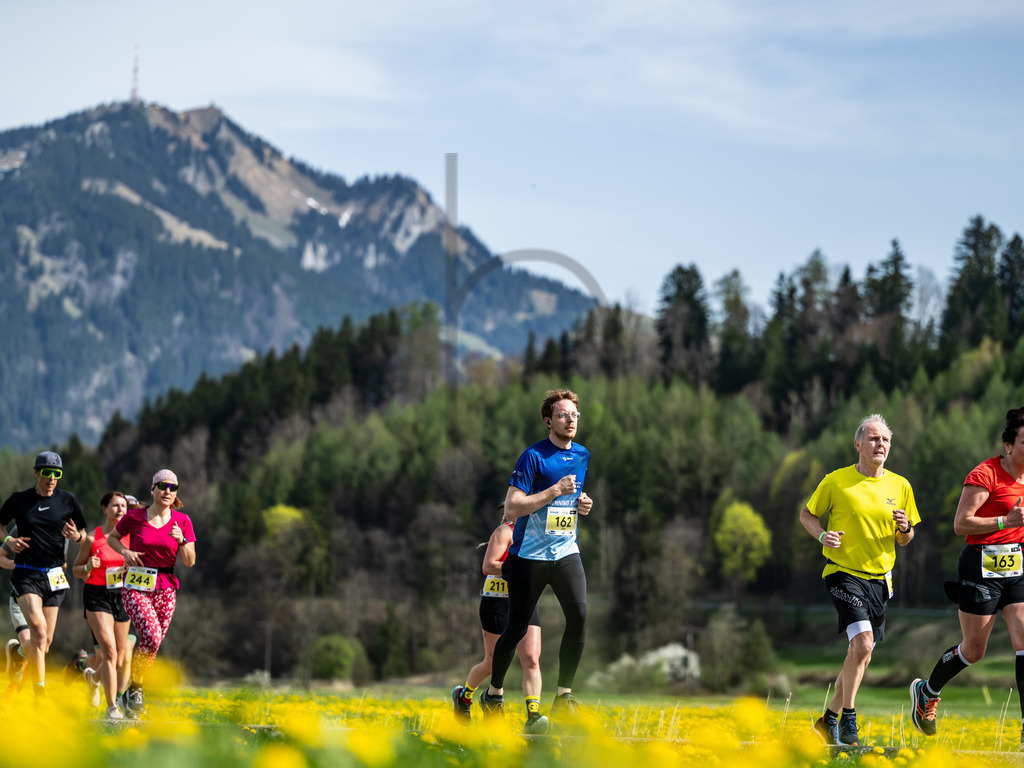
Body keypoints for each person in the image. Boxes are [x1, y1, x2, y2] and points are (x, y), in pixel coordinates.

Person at [799, 414, 920, 747]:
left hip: (880, 580)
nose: (880, 444)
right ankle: (850, 718)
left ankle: (828, 721)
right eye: (873, 438)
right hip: (841, 573)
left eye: (885, 440)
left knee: (860, 654)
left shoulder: (901, 486)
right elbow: (807, 514)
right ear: (858, 444)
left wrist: (906, 528)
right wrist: (822, 535)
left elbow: (906, 539)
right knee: (863, 644)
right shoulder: (836, 481)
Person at [910, 407, 1024, 740]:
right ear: (1007, 445)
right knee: (974, 650)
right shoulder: (985, 474)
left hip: (1017, 568)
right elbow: (961, 524)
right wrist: (1005, 522)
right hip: (980, 566)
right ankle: (927, 693)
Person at [479, 388, 593, 719]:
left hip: (566, 551)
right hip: (529, 554)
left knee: (580, 617)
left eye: (574, 415)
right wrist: (554, 490)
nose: (570, 420)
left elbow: (571, 499)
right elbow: (513, 506)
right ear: (548, 421)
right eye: (563, 415)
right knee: (515, 628)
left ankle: (564, 696)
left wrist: (583, 503)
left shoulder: (583, 455)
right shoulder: (533, 457)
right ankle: (494, 694)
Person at [107, 470, 196, 716]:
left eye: (173, 487)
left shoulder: (183, 521)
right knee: (152, 635)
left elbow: (189, 561)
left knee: (152, 644)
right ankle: (135, 691)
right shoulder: (135, 517)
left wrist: (182, 542)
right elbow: (113, 538)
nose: (168, 491)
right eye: (163, 486)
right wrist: (125, 553)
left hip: (166, 586)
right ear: (153, 489)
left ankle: (133, 690)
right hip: (136, 583)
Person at [0, 451, 88, 697]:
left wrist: (77, 537)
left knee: (44, 644)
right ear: (36, 472)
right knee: (38, 631)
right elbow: (0, 524)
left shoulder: (68, 500)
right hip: (26, 575)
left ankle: (17, 654)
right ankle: (40, 695)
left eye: (57, 473)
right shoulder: (20, 500)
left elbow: (84, 533)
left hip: (54, 577)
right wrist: (8, 538)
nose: (52, 478)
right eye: (47, 472)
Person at [452, 507, 547, 733]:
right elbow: (488, 566)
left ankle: (533, 716)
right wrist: (520, 569)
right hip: (497, 601)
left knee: (532, 659)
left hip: (524, 602)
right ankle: (463, 697)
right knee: (494, 663)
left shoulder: (539, 536)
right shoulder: (505, 531)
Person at [72, 491, 135, 719]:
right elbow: (76, 570)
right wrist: (88, 566)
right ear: (104, 509)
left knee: (118, 658)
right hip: (97, 595)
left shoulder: (130, 538)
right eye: (115, 505)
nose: (120, 510)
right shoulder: (92, 538)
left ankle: (92, 678)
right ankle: (112, 708)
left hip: (122, 596)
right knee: (108, 650)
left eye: (124, 506)